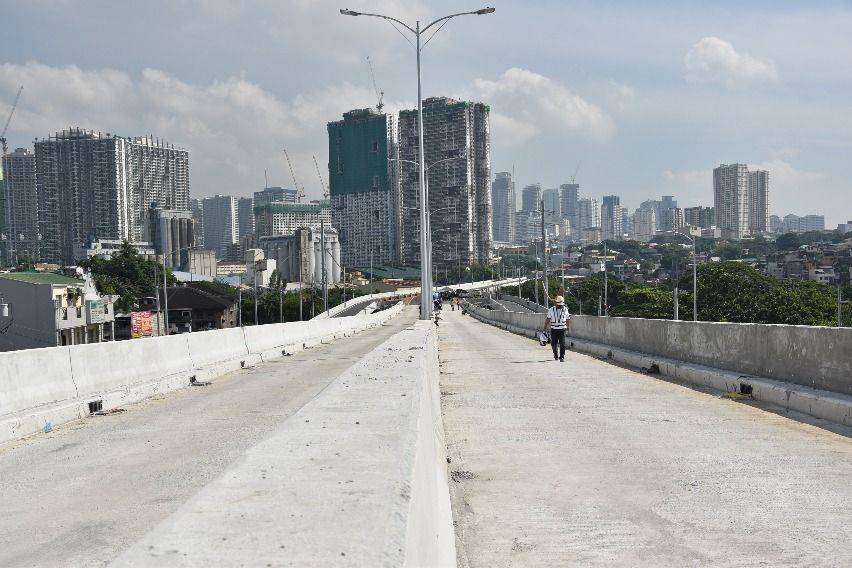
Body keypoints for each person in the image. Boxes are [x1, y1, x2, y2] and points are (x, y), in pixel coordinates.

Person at [544, 295, 570, 362]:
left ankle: (562, 357)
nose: (560, 306)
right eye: (559, 304)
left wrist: (568, 327)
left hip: (562, 329)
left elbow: (567, 319)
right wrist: (544, 328)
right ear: (555, 303)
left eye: (561, 304)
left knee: (562, 343)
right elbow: (548, 319)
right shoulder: (551, 310)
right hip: (554, 329)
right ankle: (555, 355)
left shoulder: (565, 309)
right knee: (554, 344)